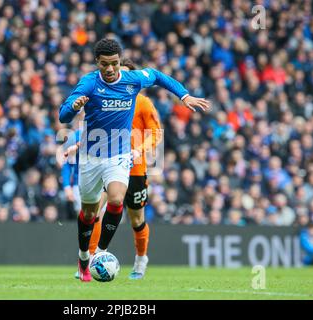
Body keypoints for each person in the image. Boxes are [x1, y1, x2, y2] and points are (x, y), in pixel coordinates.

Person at [59, 38, 210, 282]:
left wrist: (183, 96)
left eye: (115, 64)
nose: (110, 69)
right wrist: (74, 107)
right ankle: (83, 255)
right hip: (90, 158)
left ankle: (102, 252)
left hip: (121, 157)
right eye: (105, 64)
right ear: (97, 62)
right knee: (89, 214)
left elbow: (159, 77)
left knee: (117, 200)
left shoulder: (135, 85)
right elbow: (63, 114)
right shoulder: (88, 82)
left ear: (120, 62)